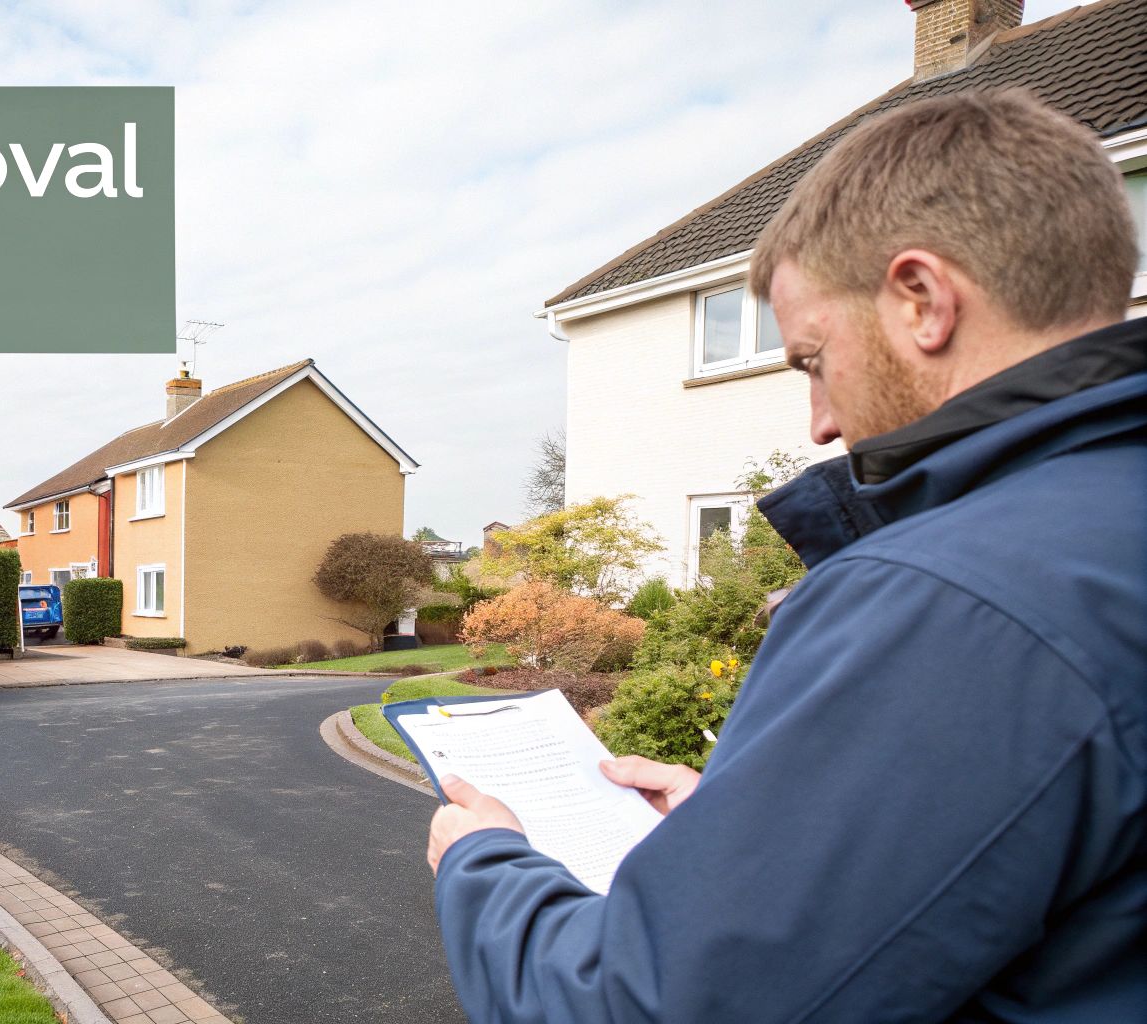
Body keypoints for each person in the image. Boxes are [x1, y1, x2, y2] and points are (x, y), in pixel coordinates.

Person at [428, 89, 1146, 1022]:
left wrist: (485, 863)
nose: (819, 424)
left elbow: (645, 1007)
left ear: (922, 300)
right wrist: (757, 832)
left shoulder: (950, 599)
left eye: (811, 359)